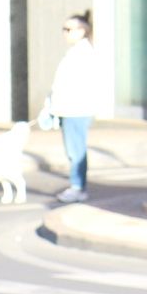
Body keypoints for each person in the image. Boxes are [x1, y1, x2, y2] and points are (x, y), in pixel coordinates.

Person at [42, 11, 102, 204]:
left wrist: (54, 106)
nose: (65, 33)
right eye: (64, 29)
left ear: (82, 31)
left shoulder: (82, 54)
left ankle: (78, 187)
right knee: (74, 149)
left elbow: (72, 86)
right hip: (70, 108)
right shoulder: (77, 52)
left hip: (76, 108)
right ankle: (77, 186)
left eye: (69, 29)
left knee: (75, 150)